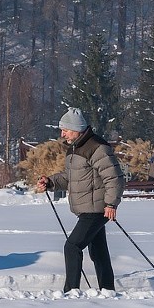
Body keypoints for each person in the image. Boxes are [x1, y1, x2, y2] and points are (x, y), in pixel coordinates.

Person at [36, 108, 125, 292]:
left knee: (72, 246)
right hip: (87, 208)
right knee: (98, 252)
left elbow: (114, 177)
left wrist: (111, 204)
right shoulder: (74, 148)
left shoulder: (97, 147)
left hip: (96, 209)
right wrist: (51, 181)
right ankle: (108, 290)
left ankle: (71, 291)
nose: (62, 134)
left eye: (65, 130)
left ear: (76, 129)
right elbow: (71, 178)